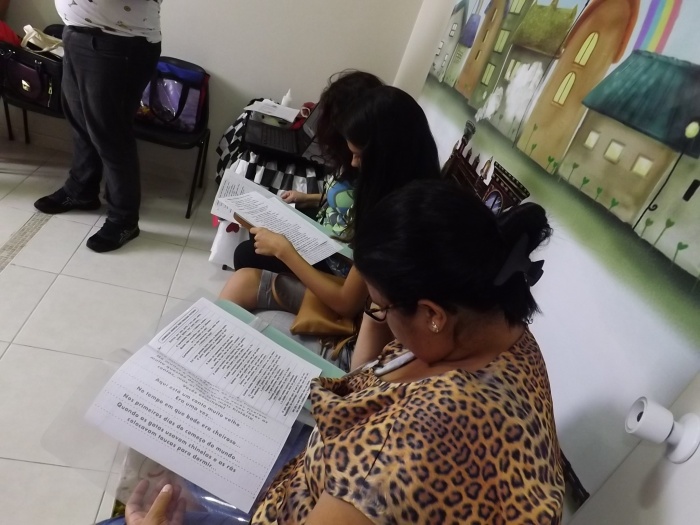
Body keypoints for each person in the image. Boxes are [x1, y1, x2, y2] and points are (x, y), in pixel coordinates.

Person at [113, 180, 564, 525]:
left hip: (301, 499)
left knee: (150, 484)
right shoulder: (501, 330)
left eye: (380, 307)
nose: (376, 315)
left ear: (431, 314)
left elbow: (386, 463)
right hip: (317, 470)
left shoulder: (406, 455)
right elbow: (375, 378)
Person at [218, 85, 441, 320]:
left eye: (359, 155)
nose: (353, 163)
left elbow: (347, 303)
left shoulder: (396, 217)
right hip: (337, 256)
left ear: (386, 157)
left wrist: (285, 251)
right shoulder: (393, 188)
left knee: (248, 256)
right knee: (251, 250)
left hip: (342, 282)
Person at [33, 1, 163, 252]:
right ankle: (80, 190)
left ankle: (123, 220)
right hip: (76, 34)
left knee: (110, 134)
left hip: (119, 42)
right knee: (81, 123)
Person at [232, 69, 384, 274]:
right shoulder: (351, 159)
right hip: (325, 229)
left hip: (335, 257)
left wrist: (286, 252)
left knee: (246, 253)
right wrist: (309, 198)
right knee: (257, 226)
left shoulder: (371, 173)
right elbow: (346, 200)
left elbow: (351, 275)